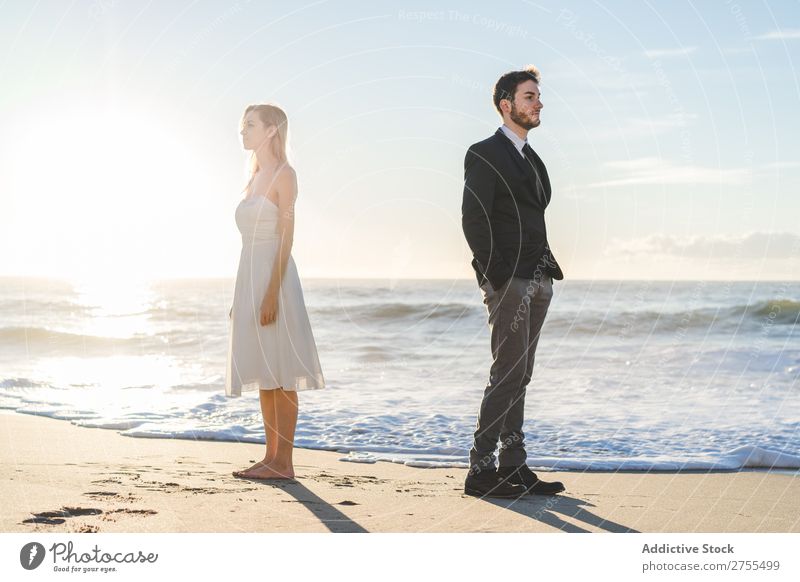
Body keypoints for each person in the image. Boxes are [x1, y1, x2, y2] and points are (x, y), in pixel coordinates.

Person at [461, 66, 566, 498]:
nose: (537, 103)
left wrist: (541, 272)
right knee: (507, 372)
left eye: (538, 96)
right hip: (510, 281)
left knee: (521, 374)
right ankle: (480, 470)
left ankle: (513, 466)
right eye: (528, 97)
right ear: (506, 104)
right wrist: (498, 277)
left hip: (538, 276)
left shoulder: (532, 157)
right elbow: (473, 219)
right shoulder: (484, 152)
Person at [226, 103, 325, 480]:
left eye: (250, 124)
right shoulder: (253, 177)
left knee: (281, 372)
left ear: (271, 130)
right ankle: (270, 457)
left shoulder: (285, 175)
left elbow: (287, 238)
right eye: (242, 125)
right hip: (248, 277)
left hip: (276, 279)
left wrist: (270, 294)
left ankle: (285, 462)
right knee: (264, 372)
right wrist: (242, 298)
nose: (243, 130)